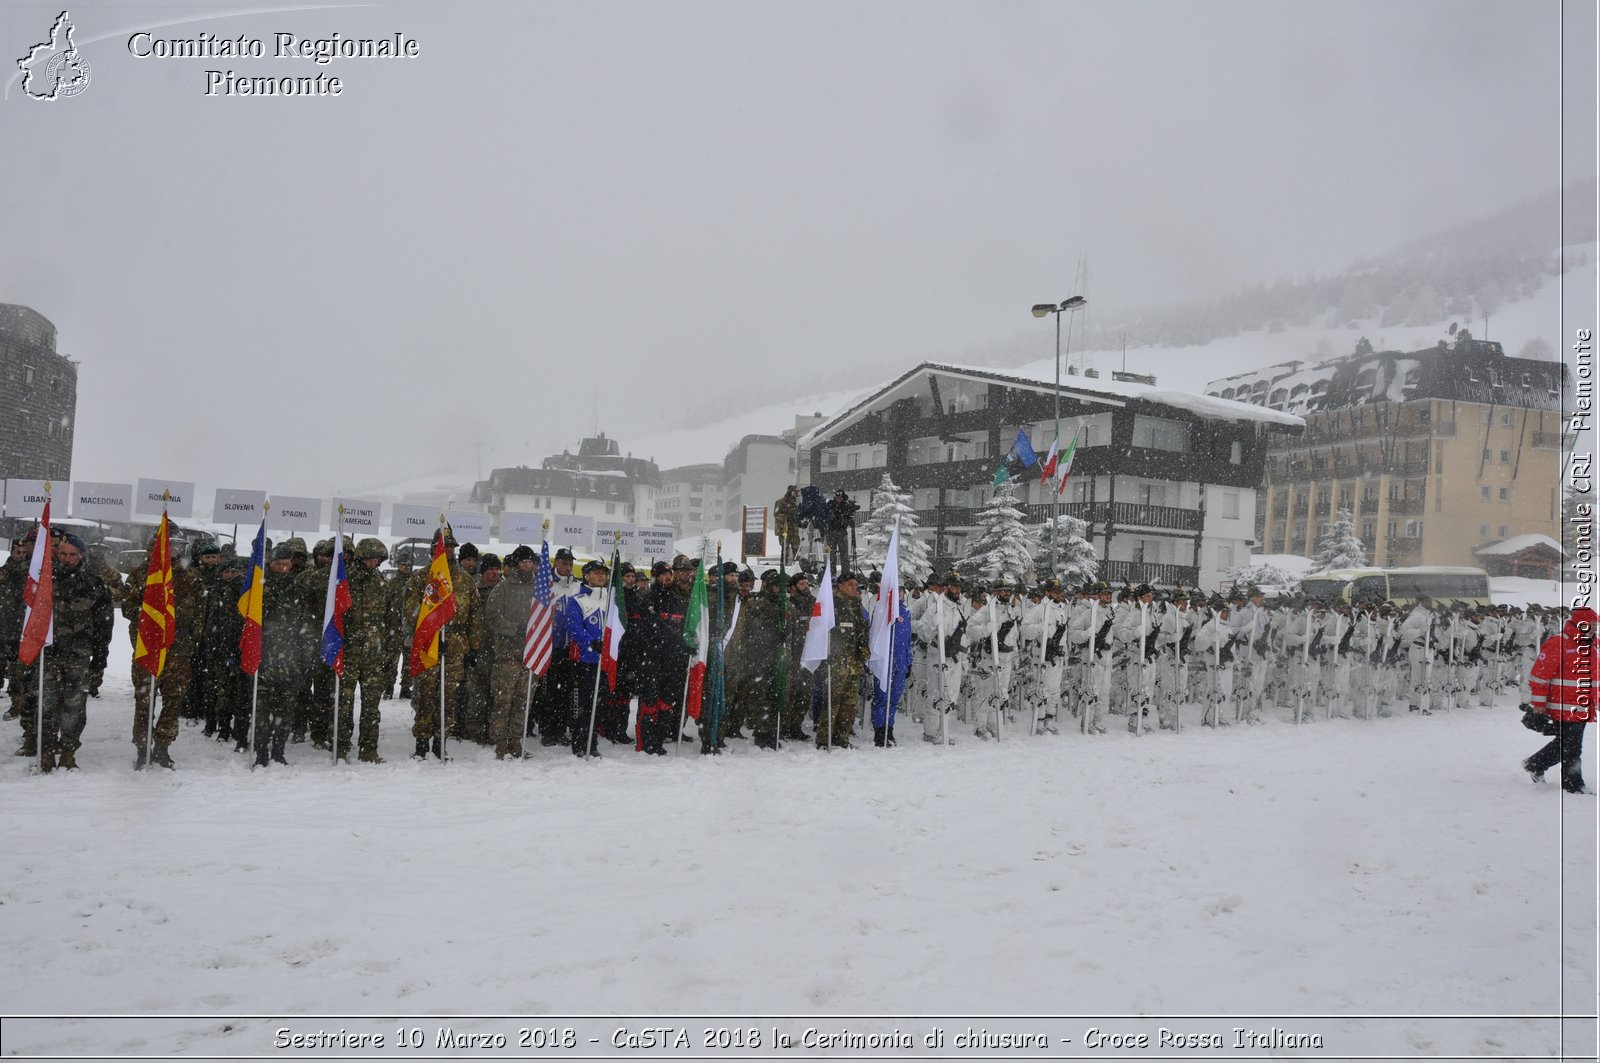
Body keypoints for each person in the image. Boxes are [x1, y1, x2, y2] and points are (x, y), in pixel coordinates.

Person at [33, 533, 115, 771]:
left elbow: (103, 624)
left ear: (81, 556)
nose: (67, 559)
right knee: (46, 706)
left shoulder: (94, 584)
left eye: (72, 554)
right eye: (63, 554)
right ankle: (46, 751)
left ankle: (68, 751)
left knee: (75, 707)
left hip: (78, 657)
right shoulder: (44, 582)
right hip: (48, 655)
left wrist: (100, 659)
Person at [1522, 606, 1597, 794]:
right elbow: (1540, 676)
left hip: (1582, 705)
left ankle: (1535, 763)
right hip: (1562, 704)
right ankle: (1573, 784)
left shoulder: (1593, 644)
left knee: (1566, 743)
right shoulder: (1558, 643)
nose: (1596, 627)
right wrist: (1538, 705)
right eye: (1593, 624)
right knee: (1572, 746)